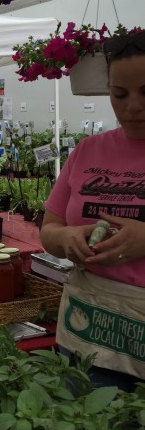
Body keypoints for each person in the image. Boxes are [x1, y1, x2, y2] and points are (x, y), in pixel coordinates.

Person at [40, 29, 145, 392]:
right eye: (120, 94)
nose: (133, 106)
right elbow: (49, 228)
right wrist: (67, 238)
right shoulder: (88, 151)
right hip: (90, 323)